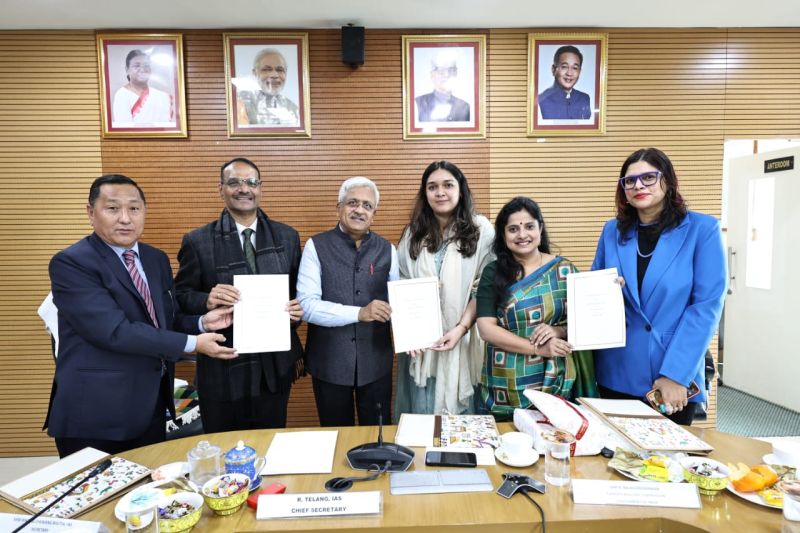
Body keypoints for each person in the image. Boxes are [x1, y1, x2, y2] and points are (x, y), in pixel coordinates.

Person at [44, 175, 236, 458]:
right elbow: (114, 331)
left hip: (149, 407)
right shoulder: (72, 263)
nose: (125, 218)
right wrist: (193, 344)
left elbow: (161, 321)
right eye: (112, 208)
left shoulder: (154, 259)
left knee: (147, 493)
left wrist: (201, 323)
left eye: (134, 209)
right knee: (97, 498)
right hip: (96, 413)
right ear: (90, 212)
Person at [591, 148, 727, 425]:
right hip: (616, 369)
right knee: (611, 462)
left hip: (671, 374)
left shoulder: (703, 230)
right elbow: (595, 287)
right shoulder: (612, 231)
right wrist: (599, 293)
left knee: (667, 464)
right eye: (629, 181)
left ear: (668, 181)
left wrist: (676, 374)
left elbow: (705, 308)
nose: (638, 185)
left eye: (649, 177)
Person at [174, 157, 304, 433]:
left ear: (260, 188)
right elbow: (180, 296)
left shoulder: (287, 237)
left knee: (270, 439)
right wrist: (206, 300)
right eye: (234, 182)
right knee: (224, 443)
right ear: (220, 188)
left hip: (273, 364)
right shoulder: (198, 241)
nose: (244, 189)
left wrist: (296, 311)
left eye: (251, 182)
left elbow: (296, 295)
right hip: (224, 361)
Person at [476, 197, 596, 420]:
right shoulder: (493, 272)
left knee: (554, 445)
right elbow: (486, 329)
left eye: (529, 226)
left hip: (555, 381)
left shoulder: (565, 270)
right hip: (504, 386)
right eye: (513, 229)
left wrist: (558, 331)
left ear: (540, 229)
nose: (522, 235)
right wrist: (537, 349)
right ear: (503, 235)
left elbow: (588, 322)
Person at [394, 161, 495, 418]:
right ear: (424, 193)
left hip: (464, 337)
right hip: (421, 344)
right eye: (432, 187)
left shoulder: (481, 229)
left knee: (462, 424)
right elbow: (401, 284)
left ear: (461, 189)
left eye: (448, 185)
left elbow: (484, 287)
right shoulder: (412, 234)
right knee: (422, 415)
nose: (440, 192)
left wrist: (460, 329)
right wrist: (409, 332)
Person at [297, 177, 398, 426]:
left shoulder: (388, 250)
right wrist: (359, 313)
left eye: (367, 205)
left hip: (376, 363)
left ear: (374, 213)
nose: (359, 210)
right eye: (352, 203)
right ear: (339, 206)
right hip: (329, 363)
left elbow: (399, 302)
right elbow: (307, 306)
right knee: (334, 435)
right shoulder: (315, 246)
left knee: (377, 436)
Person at [236, 48, 300, 127]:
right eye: (267, 69)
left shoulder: (292, 108)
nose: (274, 75)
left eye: (280, 70)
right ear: (254, 73)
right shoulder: (241, 102)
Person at [112, 49, 174, 126]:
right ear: (127, 69)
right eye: (136, 66)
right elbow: (124, 129)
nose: (142, 69)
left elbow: (167, 127)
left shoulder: (163, 96)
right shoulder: (122, 95)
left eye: (146, 66)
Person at [537, 45, 592, 120]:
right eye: (564, 67)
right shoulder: (541, 100)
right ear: (553, 70)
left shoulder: (584, 99)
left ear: (579, 72)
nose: (569, 73)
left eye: (575, 68)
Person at [415, 50, 471, 122]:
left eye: (451, 70)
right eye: (441, 70)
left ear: (456, 74)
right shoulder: (418, 103)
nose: (446, 75)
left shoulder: (464, 107)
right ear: (432, 75)